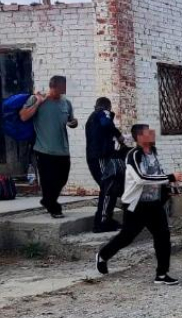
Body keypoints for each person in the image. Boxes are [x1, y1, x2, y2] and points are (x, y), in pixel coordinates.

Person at [95, 124, 182, 285]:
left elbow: (157, 174)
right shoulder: (133, 155)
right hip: (136, 205)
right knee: (127, 237)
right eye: (148, 132)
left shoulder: (153, 153)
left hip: (154, 204)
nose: (152, 134)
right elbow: (141, 178)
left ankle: (162, 274)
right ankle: (103, 255)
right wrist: (170, 177)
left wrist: (169, 187)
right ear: (139, 137)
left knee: (163, 236)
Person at [18, 75, 78, 218]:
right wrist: (38, 102)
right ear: (54, 86)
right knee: (48, 180)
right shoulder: (37, 99)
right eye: (63, 86)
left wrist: (73, 122)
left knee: (62, 178)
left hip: (63, 150)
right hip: (43, 149)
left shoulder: (66, 103)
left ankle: (47, 200)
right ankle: (53, 207)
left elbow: (72, 121)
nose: (65, 89)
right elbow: (23, 116)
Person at [85, 97, 125, 232]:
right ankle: (100, 223)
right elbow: (106, 124)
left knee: (111, 188)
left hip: (95, 157)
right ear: (107, 106)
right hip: (100, 158)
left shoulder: (92, 118)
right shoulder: (102, 113)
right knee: (108, 188)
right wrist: (119, 136)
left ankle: (106, 219)